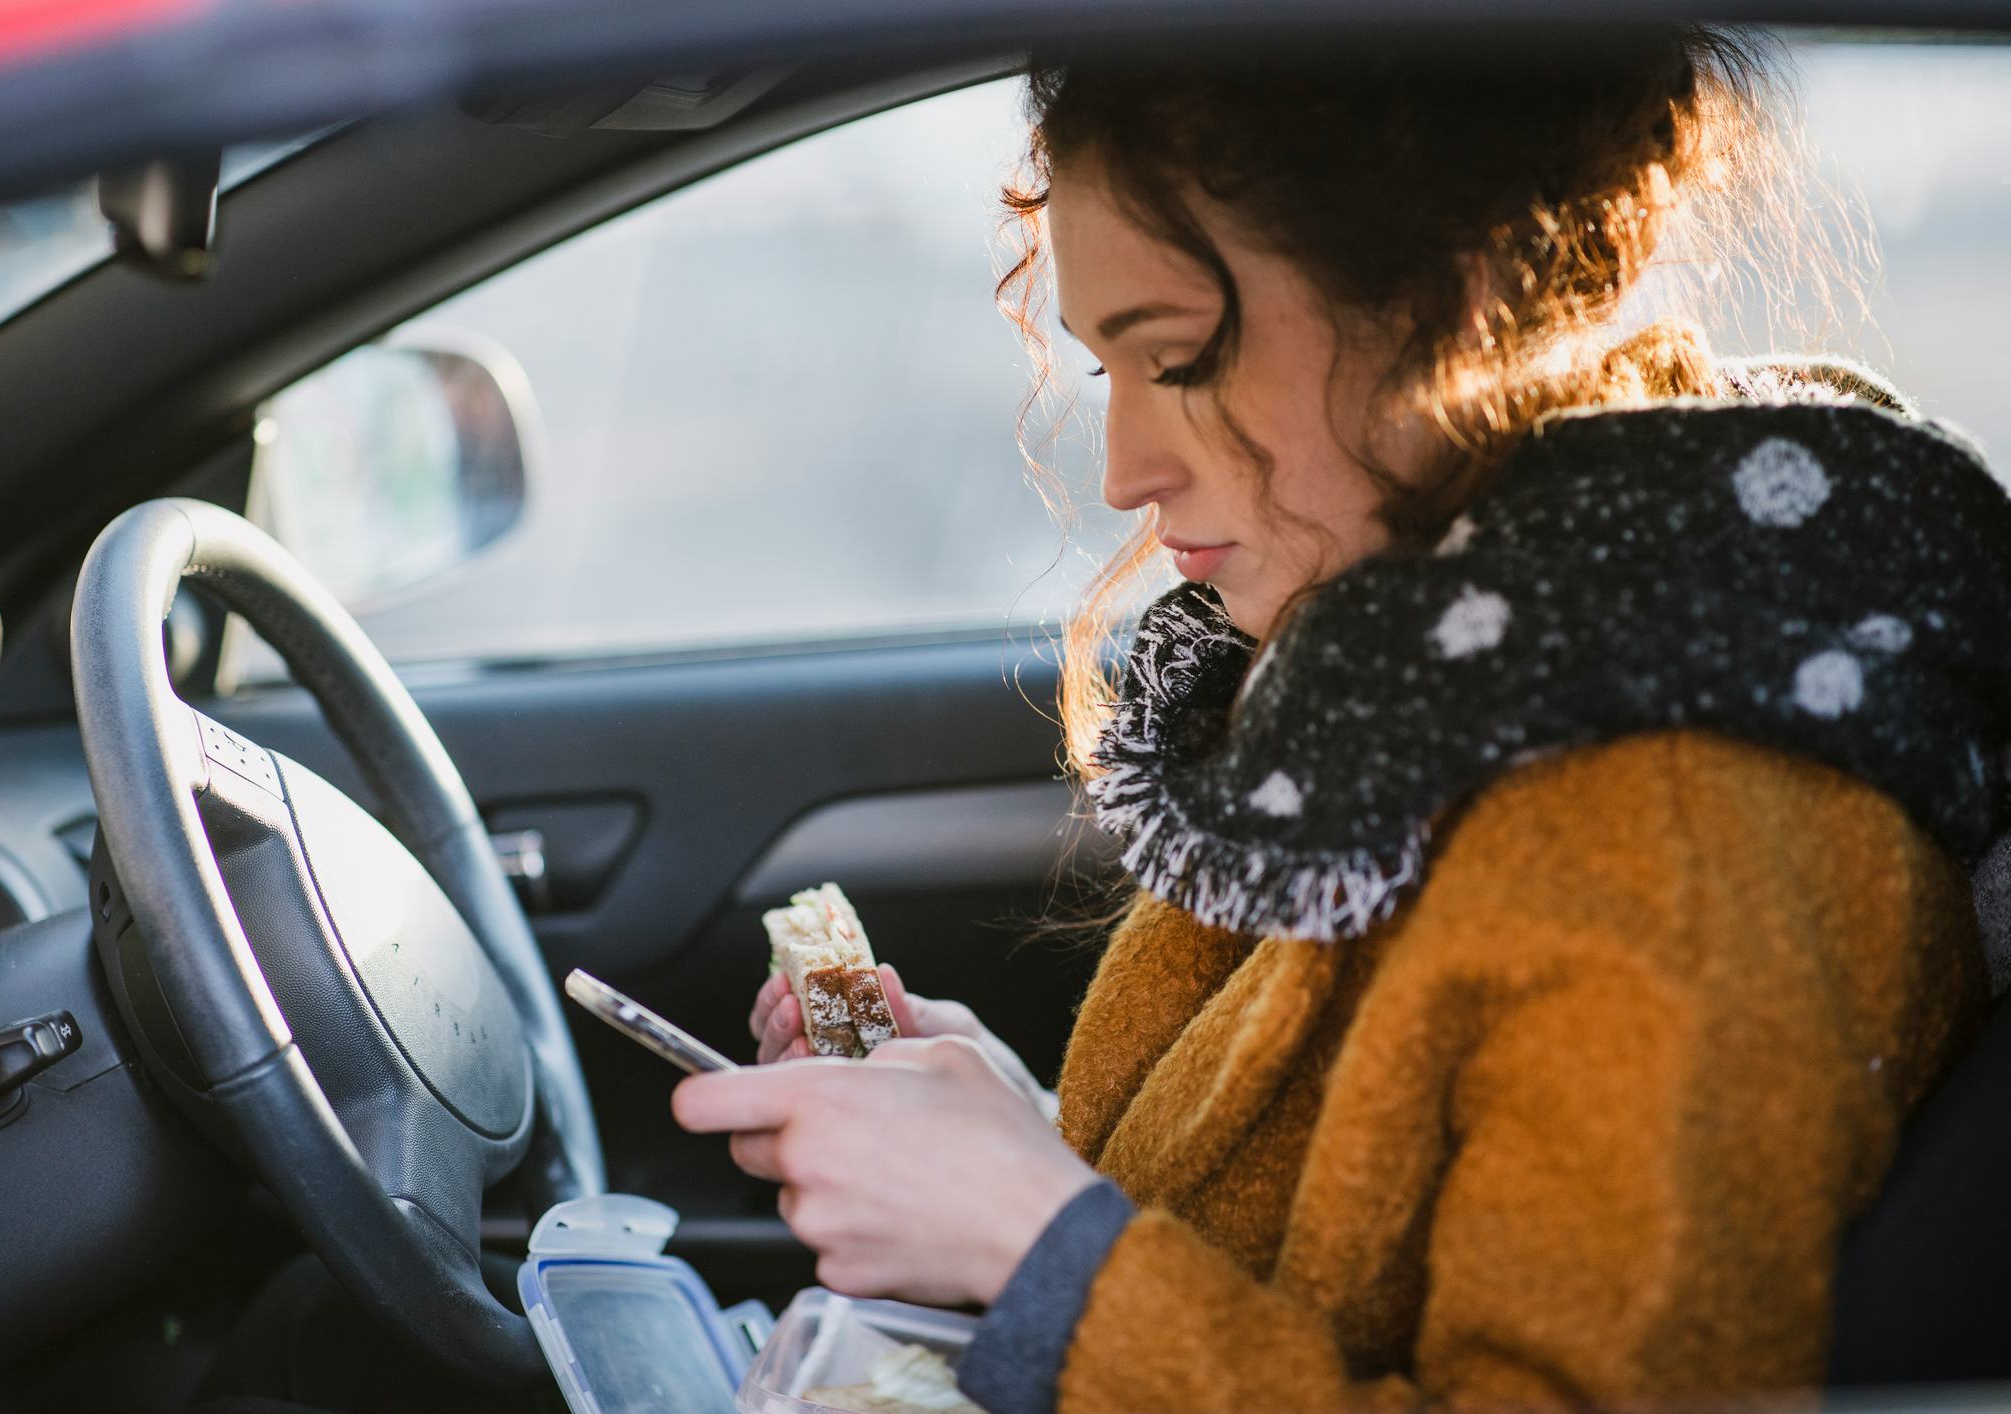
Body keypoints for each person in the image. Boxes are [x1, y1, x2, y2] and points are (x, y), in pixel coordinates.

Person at [674, 25, 2011, 1411]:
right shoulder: (1405, 663)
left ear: (1454, 297)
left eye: (1179, 356)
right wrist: (1015, 1148)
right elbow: (1308, 1245)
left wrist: (1037, 1246)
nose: (1125, 467)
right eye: (1103, 371)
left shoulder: (1668, 824)